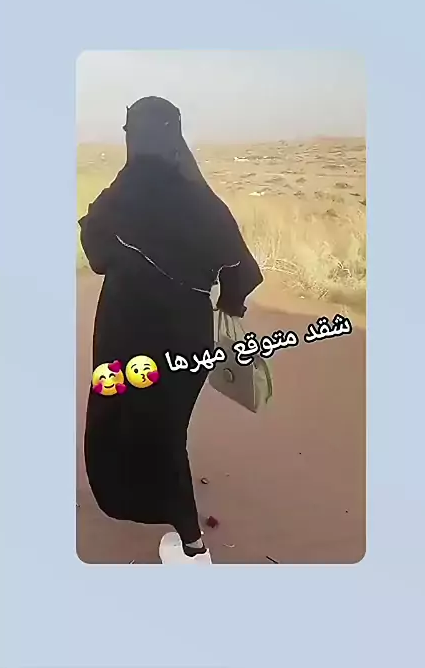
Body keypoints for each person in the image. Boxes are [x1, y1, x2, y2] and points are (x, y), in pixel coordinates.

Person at [79, 96, 263, 564]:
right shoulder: (202, 200)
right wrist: (228, 302)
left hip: (125, 335)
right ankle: (158, 504)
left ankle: (192, 543)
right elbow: (242, 272)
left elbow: (97, 257)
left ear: (132, 138)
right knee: (166, 427)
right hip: (187, 337)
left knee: (131, 422)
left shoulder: (119, 198)